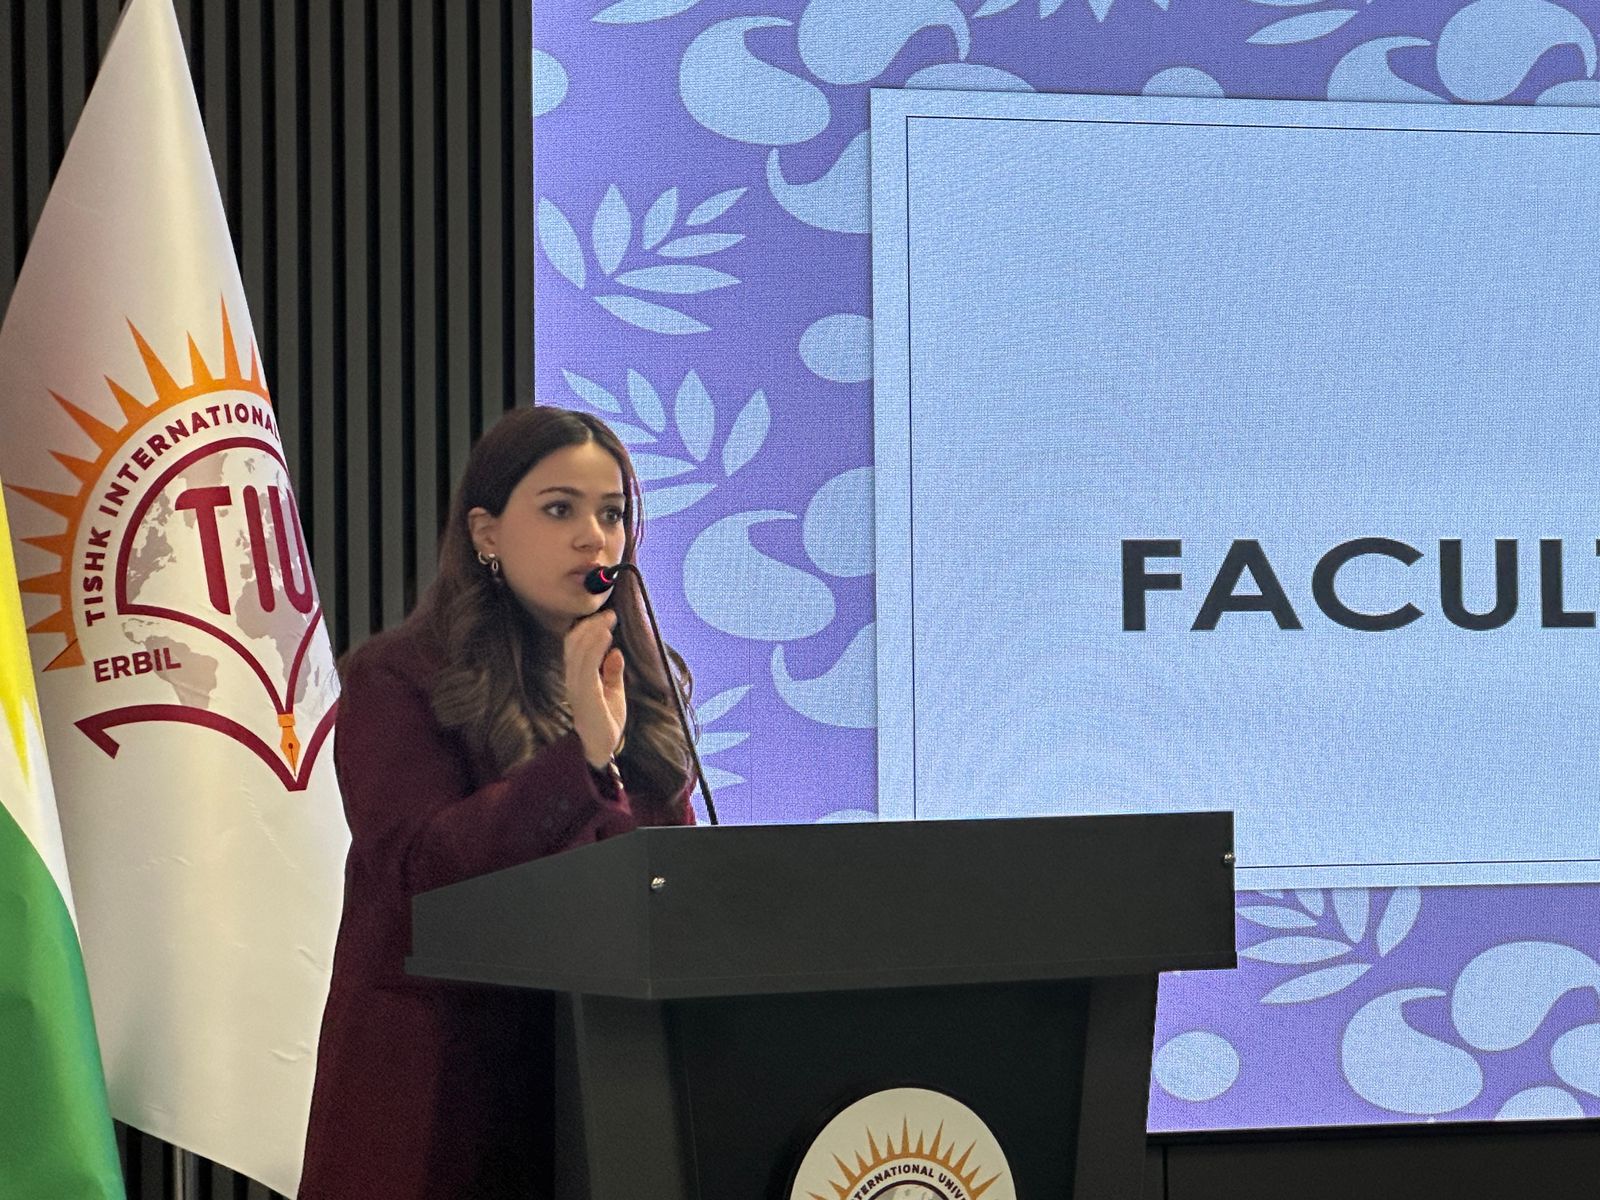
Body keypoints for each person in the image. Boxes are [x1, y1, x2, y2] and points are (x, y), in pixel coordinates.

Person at [297, 405, 696, 1199]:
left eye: (611, 514)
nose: (594, 539)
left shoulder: (643, 682)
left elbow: (667, 887)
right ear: (486, 533)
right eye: (560, 509)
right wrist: (581, 757)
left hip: (605, 1083)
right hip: (443, 1098)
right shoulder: (396, 679)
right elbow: (423, 873)